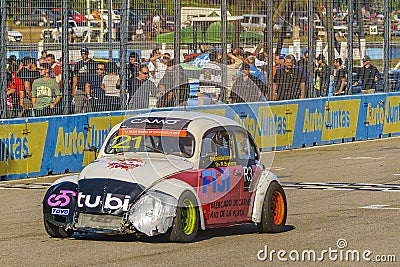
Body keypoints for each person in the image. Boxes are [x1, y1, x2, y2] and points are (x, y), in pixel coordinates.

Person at [72, 47, 96, 113]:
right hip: (80, 89)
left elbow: (95, 76)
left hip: (90, 89)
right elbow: (75, 77)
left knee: (89, 109)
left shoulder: (93, 63)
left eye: (85, 53)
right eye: (82, 54)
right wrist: (74, 89)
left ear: (87, 54)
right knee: (78, 109)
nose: (83, 55)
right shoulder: (78, 64)